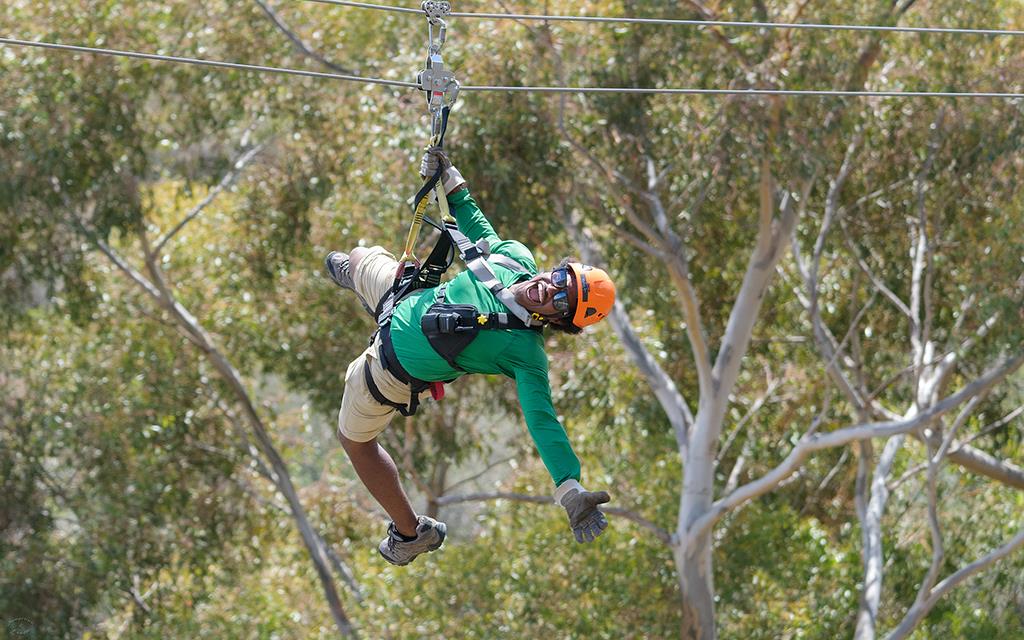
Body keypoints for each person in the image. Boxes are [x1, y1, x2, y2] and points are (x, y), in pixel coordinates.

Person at [324, 147, 616, 566]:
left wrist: (569, 488)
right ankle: (356, 277)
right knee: (356, 256)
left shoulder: (525, 353)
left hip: (388, 371)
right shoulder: (514, 258)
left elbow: (542, 421)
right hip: (403, 296)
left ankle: (411, 533)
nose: (549, 291)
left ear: (558, 320)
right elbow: (472, 219)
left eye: (561, 301)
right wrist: (447, 173)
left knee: (354, 442)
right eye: (559, 279)